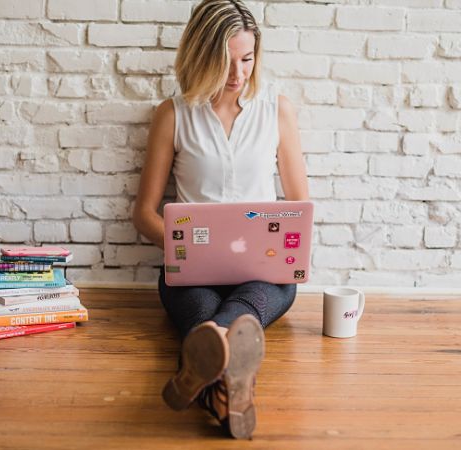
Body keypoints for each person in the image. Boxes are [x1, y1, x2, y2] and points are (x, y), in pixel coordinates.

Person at [131, 0, 309, 439]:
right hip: (191, 274)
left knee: (218, 326)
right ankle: (234, 387)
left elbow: (299, 205)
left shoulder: (276, 110)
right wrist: (184, 248)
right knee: (213, 318)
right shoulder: (173, 115)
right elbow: (144, 214)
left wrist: (291, 245)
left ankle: (200, 377)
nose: (238, 73)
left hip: (264, 275)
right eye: (225, 61)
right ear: (200, 55)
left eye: (247, 59)